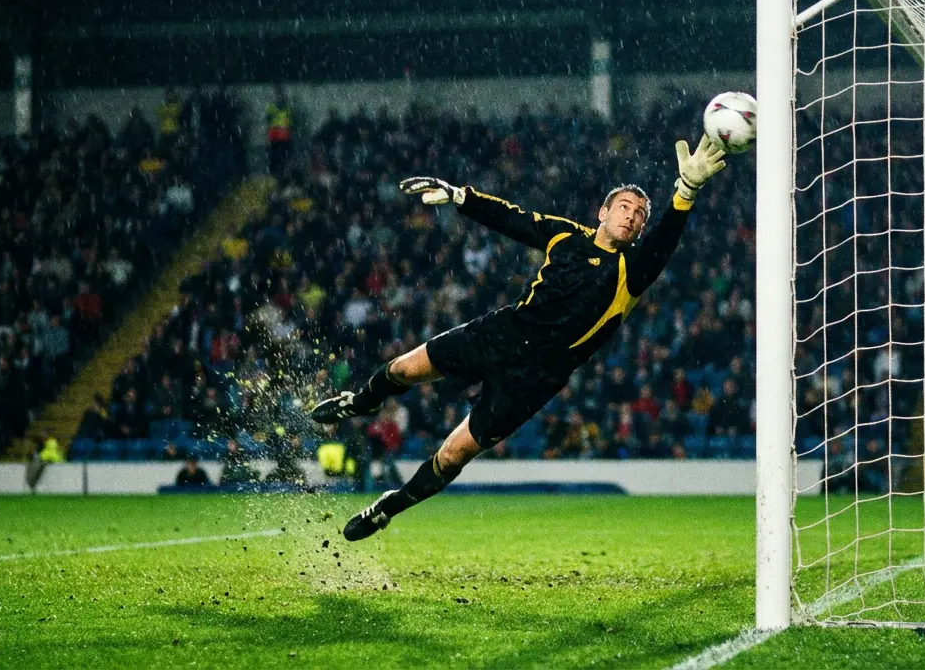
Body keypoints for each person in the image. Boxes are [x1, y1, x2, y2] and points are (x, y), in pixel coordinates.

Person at [310, 135, 727, 541]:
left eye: (639, 215)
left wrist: (685, 192)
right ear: (603, 211)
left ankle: (387, 508)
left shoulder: (633, 271)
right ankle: (361, 402)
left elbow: (665, 242)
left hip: (536, 377)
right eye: (624, 206)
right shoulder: (566, 236)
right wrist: (460, 196)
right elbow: (513, 218)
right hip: (502, 332)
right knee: (402, 368)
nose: (631, 216)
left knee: (453, 455)